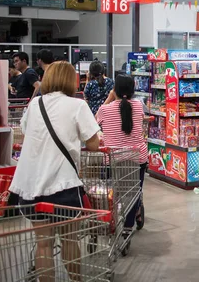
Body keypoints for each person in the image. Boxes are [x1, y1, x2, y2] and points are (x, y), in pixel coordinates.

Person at [9, 61, 100, 281]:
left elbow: (24, 130)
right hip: (63, 185)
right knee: (69, 240)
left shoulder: (35, 104)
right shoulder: (77, 105)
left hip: (32, 186)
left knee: (43, 244)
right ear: (71, 81)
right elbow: (94, 143)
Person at [96, 74, 148, 231]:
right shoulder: (138, 105)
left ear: (114, 90)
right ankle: (129, 223)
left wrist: (110, 98)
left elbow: (95, 122)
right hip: (137, 158)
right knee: (134, 190)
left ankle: (116, 219)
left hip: (113, 159)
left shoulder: (104, 109)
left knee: (115, 190)